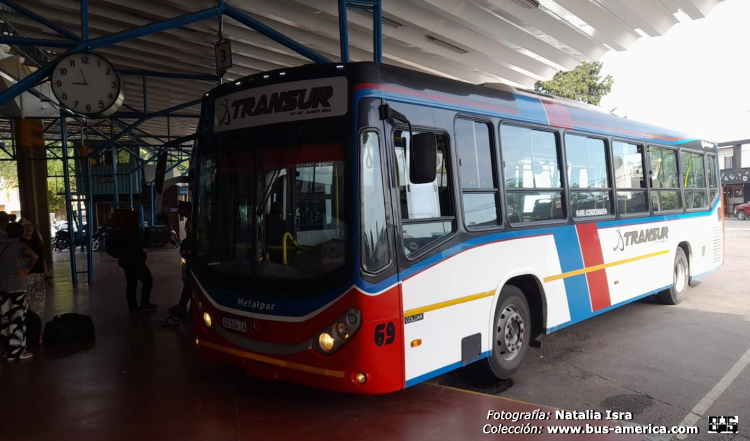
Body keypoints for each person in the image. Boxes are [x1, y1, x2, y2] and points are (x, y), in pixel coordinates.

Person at [0, 222, 39, 361]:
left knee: (4, 318)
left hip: (2, 286)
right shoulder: (21, 246)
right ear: (22, 234)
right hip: (17, 286)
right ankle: (17, 352)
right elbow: (35, 256)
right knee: (17, 318)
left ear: (7, 233)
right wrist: (27, 269)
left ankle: (4, 351)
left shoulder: (2, 246)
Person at [112, 210, 156, 315]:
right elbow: (139, 245)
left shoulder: (125, 229)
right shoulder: (132, 230)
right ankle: (139, 305)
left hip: (127, 261)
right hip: (134, 261)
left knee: (132, 283)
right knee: (146, 280)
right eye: (138, 218)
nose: (139, 220)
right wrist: (146, 236)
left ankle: (135, 306)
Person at [162, 203, 193, 325]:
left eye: (180, 209)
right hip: (189, 262)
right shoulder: (191, 221)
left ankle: (182, 308)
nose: (179, 212)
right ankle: (181, 306)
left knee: (189, 286)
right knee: (187, 286)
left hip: (193, 264)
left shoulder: (196, 221)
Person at [18, 218, 53, 319]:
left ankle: (36, 329)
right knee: (25, 305)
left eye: (30, 225)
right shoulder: (20, 243)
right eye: (24, 226)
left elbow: (42, 259)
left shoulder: (36, 241)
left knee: (38, 306)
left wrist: (48, 276)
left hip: (39, 276)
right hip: (27, 277)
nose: (28, 228)